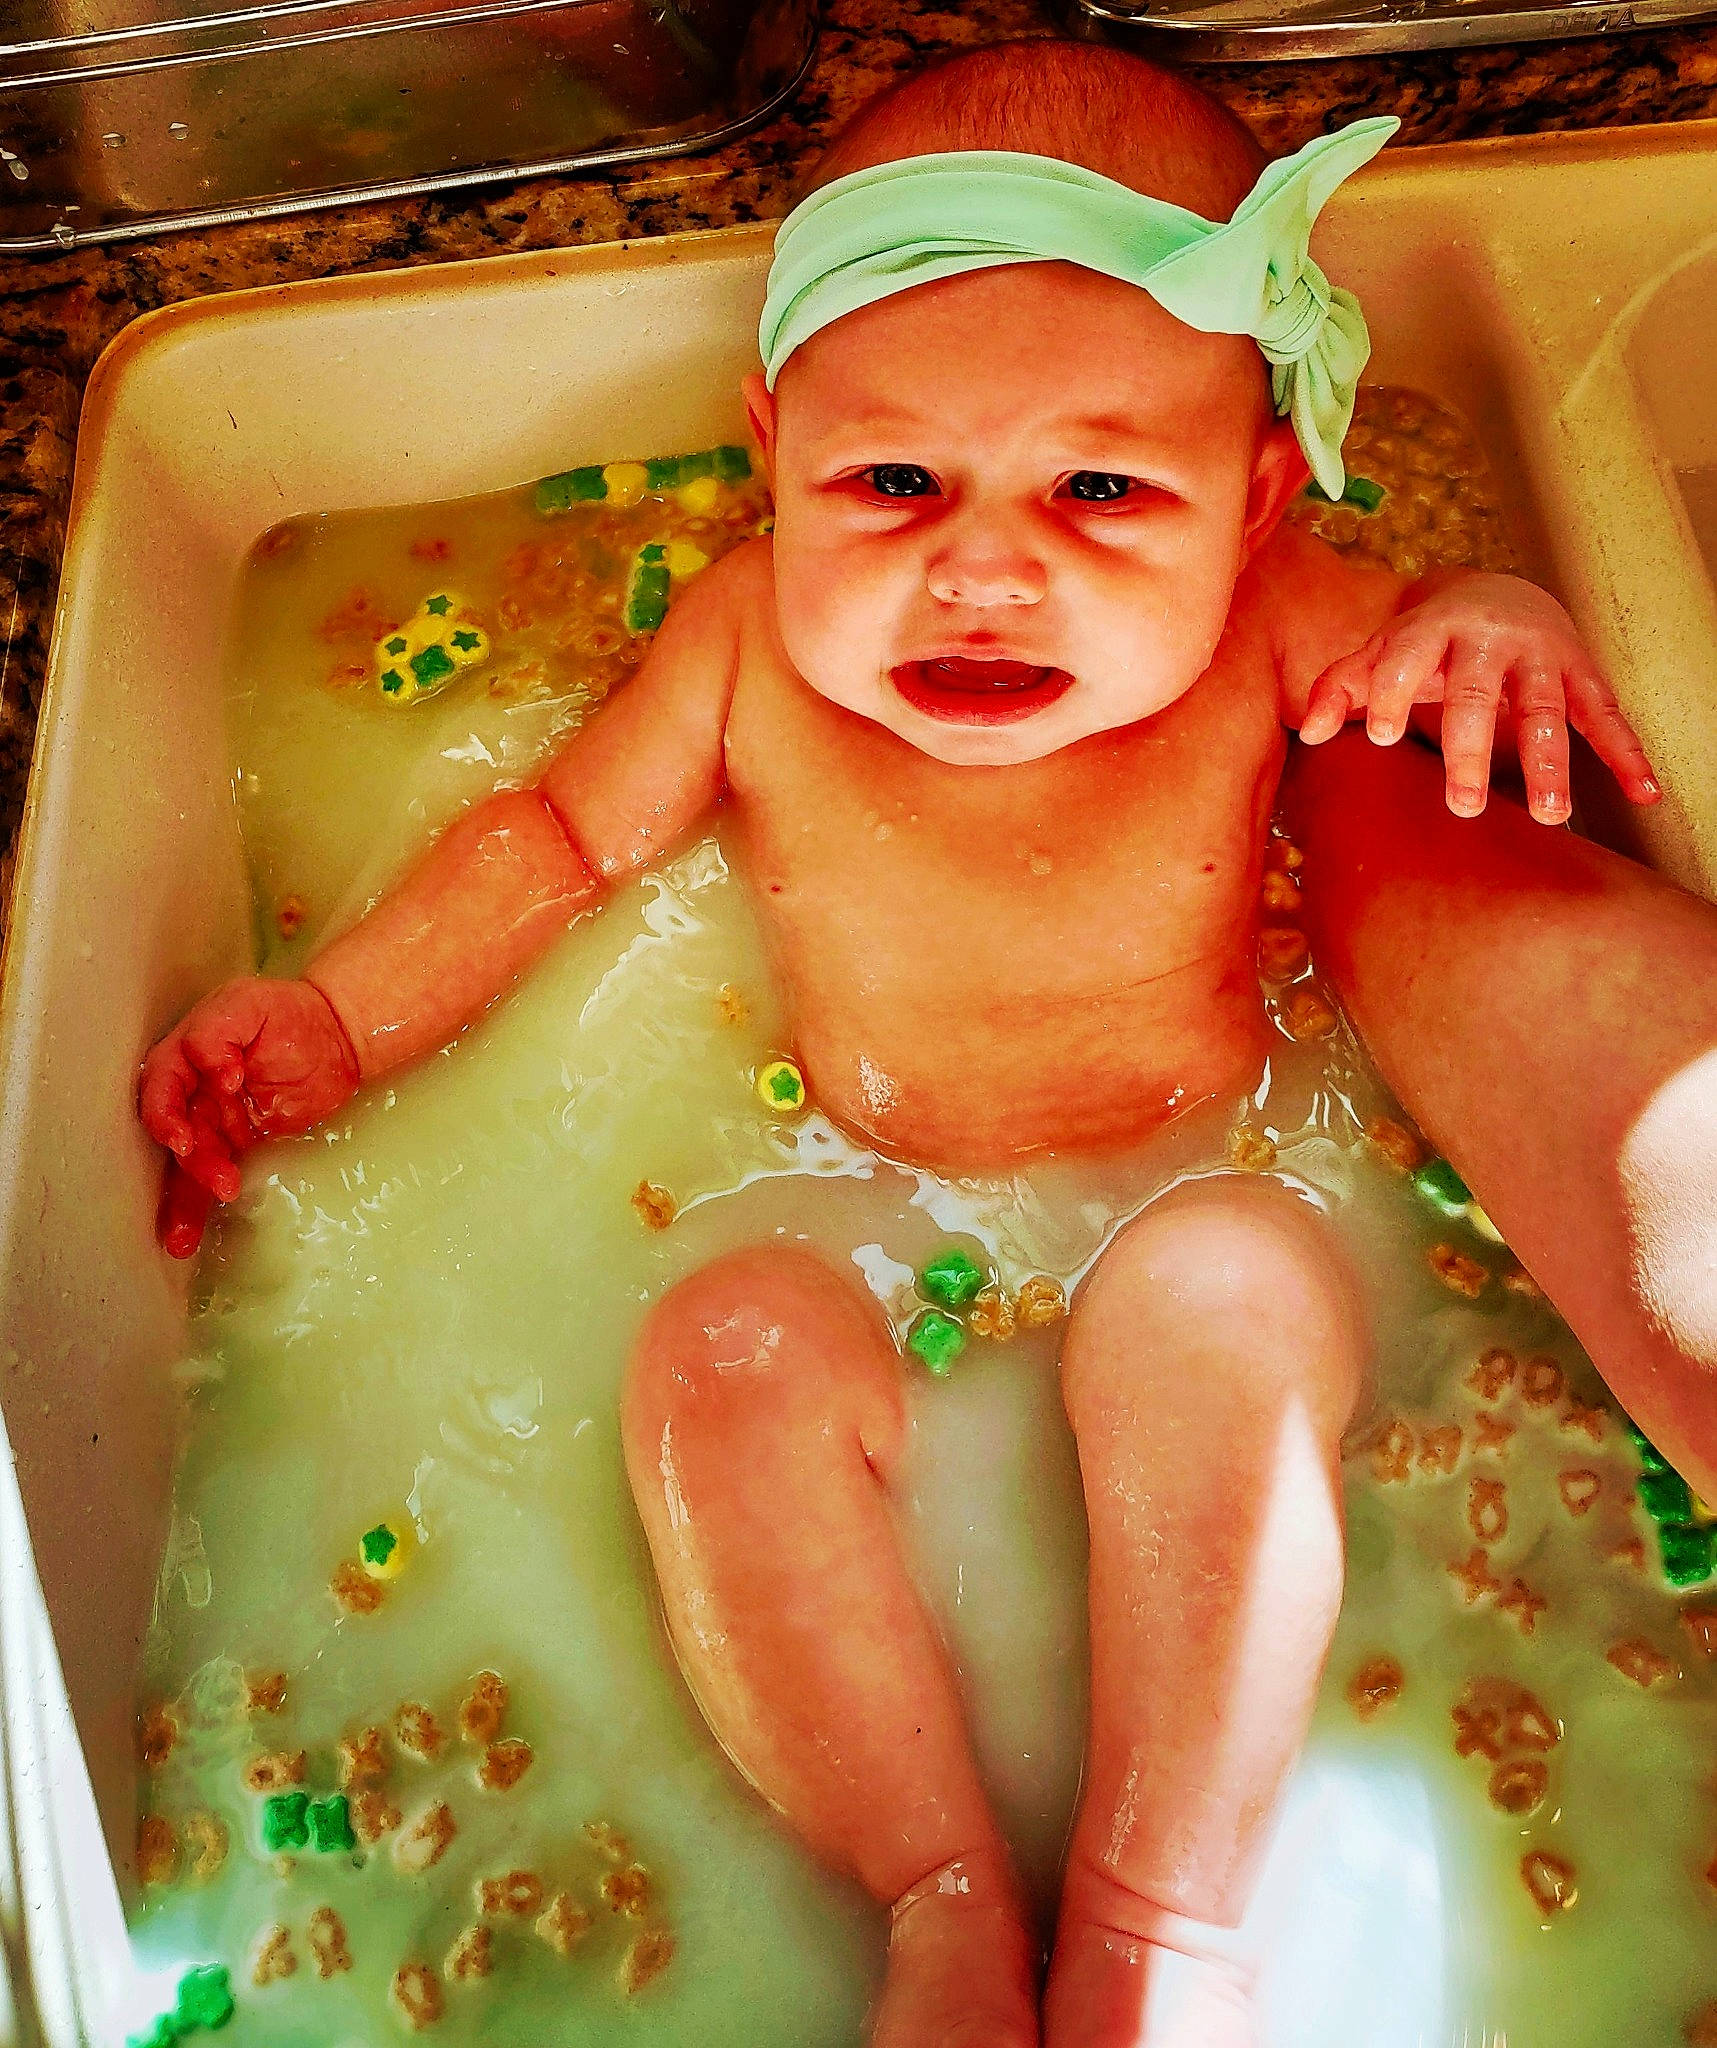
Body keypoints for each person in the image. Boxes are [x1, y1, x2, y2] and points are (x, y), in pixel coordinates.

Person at [138, 43, 1665, 2047]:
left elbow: (1431, 634)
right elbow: (555, 840)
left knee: (1226, 1292)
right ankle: (932, 1889)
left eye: (1103, 488)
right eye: (891, 480)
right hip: (853, 1205)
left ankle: (1155, 1908)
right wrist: (339, 1017)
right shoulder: (749, 636)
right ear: (772, 440)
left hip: (1201, 1186)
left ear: (1261, 491)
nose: (984, 565)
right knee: (720, 1352)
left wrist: (1498, 614)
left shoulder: (1281, 619)